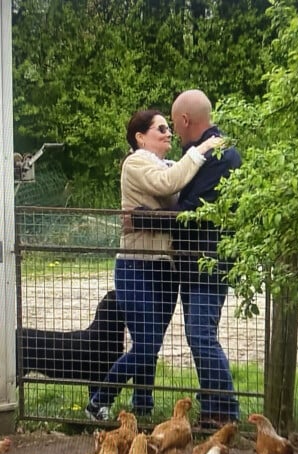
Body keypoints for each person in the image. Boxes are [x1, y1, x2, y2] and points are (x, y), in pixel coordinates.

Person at [85, 108, 223, 421]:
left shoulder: (164, 163)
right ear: (140, 137)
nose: (168, 133)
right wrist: (202, 148)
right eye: (160, 129)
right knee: (146, 344)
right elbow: (167, 184)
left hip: (163, 268)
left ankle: (142, 408)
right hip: (137, 267)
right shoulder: (136, 162)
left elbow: (179, 187)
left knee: (150, 344)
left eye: (168, 129)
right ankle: (97, 402)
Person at [133, 89, 242, 426]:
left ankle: (224, 411)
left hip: (207, 261)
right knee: (198, 336)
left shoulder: (217, 155)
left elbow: (193, 212)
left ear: (184, 120)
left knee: (200, 335)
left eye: (173, 125)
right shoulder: (208, 153)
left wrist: (141, 217)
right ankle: (212, 407)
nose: (172, 133)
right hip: (196, 262)